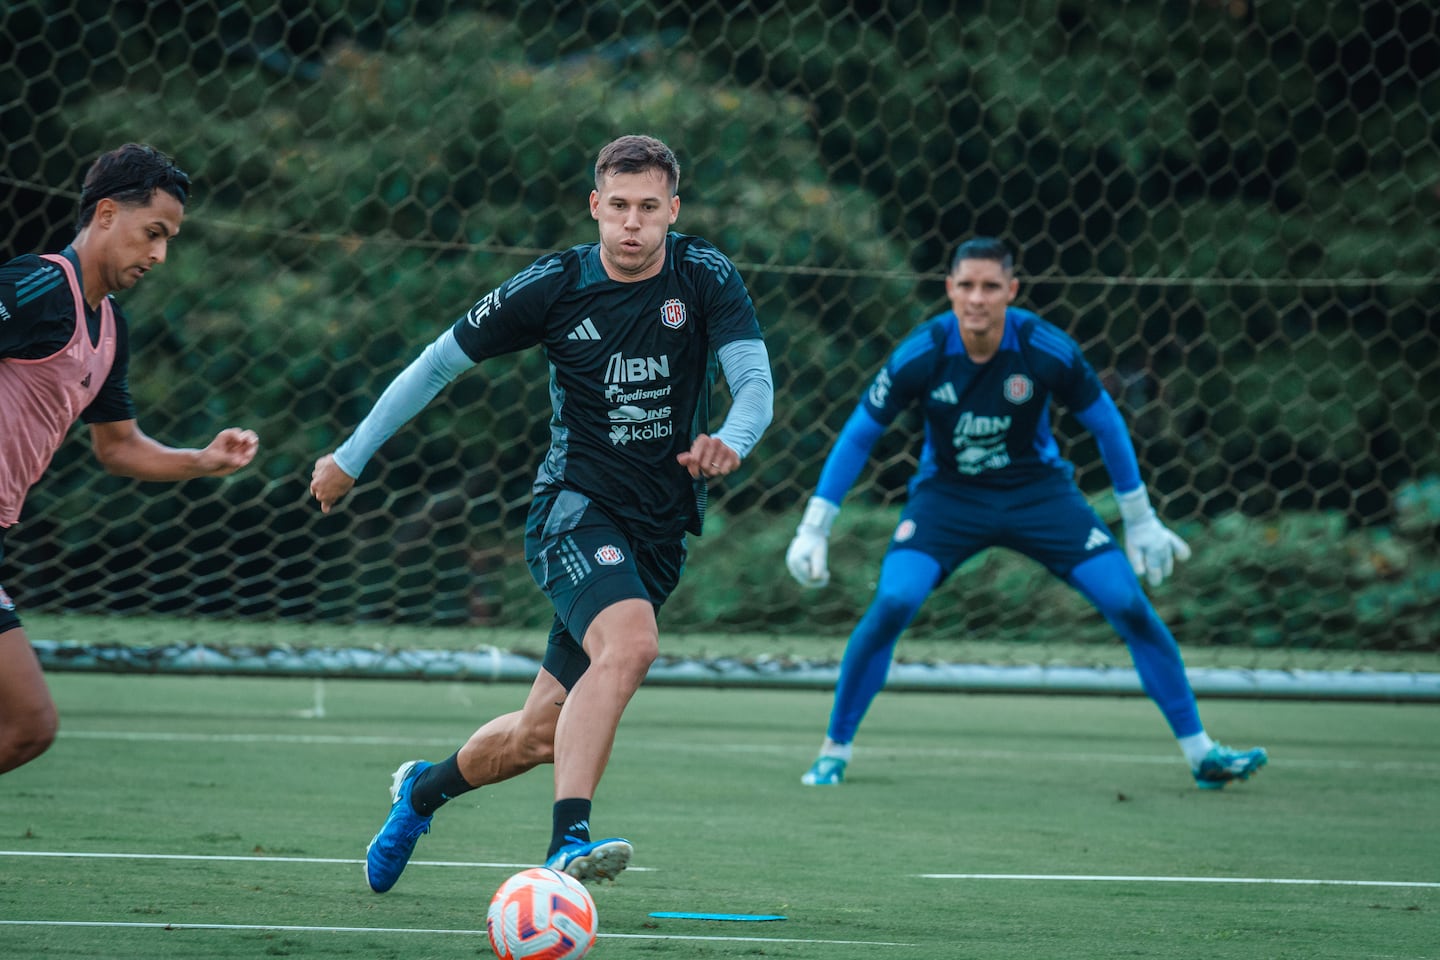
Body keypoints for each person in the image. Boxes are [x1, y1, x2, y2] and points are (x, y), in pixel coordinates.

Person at [310, 134, 773, 890]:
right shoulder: (553, 286)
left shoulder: (705, 273)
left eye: (649, 209)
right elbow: (435, 365)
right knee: (631, 646)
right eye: (617, 207)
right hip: (573, 510)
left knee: (535, 736)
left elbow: (753, 381)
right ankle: (568, 843)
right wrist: (349, 458)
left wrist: (732, 438)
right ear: (595, 206)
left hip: (657, 530)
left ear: (673, 210)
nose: (632, 224)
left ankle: (419, 793)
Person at [785, 237, 1267, 790]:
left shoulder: (1045, 347)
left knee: (1129, 603)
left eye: (991, 286)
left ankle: (1201, 753)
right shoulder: (923, 351)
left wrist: (1140, 518)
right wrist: (814, 527)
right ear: (949, 290)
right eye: (966, 285)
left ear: (1011, 291)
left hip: (1039, 496)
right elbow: (858, 434)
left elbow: (1107, 424)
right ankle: (833, 752)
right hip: (948, 499)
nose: (977, 299)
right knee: (893, 600)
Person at [0, 143, 260, 775]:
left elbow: (117, 447)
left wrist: (202, 461)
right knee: (29, 722)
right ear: (108, 214)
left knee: (29, 728)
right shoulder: (34, 286)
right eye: (154, 233)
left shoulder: (111, 327)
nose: (159, 255)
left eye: (168, 239)